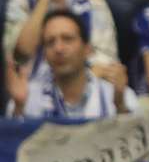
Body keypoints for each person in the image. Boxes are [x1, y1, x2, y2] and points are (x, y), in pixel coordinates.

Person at [6, 10, 135, 119]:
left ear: (87, 49)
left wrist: (120, 106)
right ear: (44, 55)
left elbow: (136, 144)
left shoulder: (119, 95)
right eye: (50, 42)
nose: (59, 48)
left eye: (67, 39)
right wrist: (19, 108)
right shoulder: (27, 97)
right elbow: (12, 146)